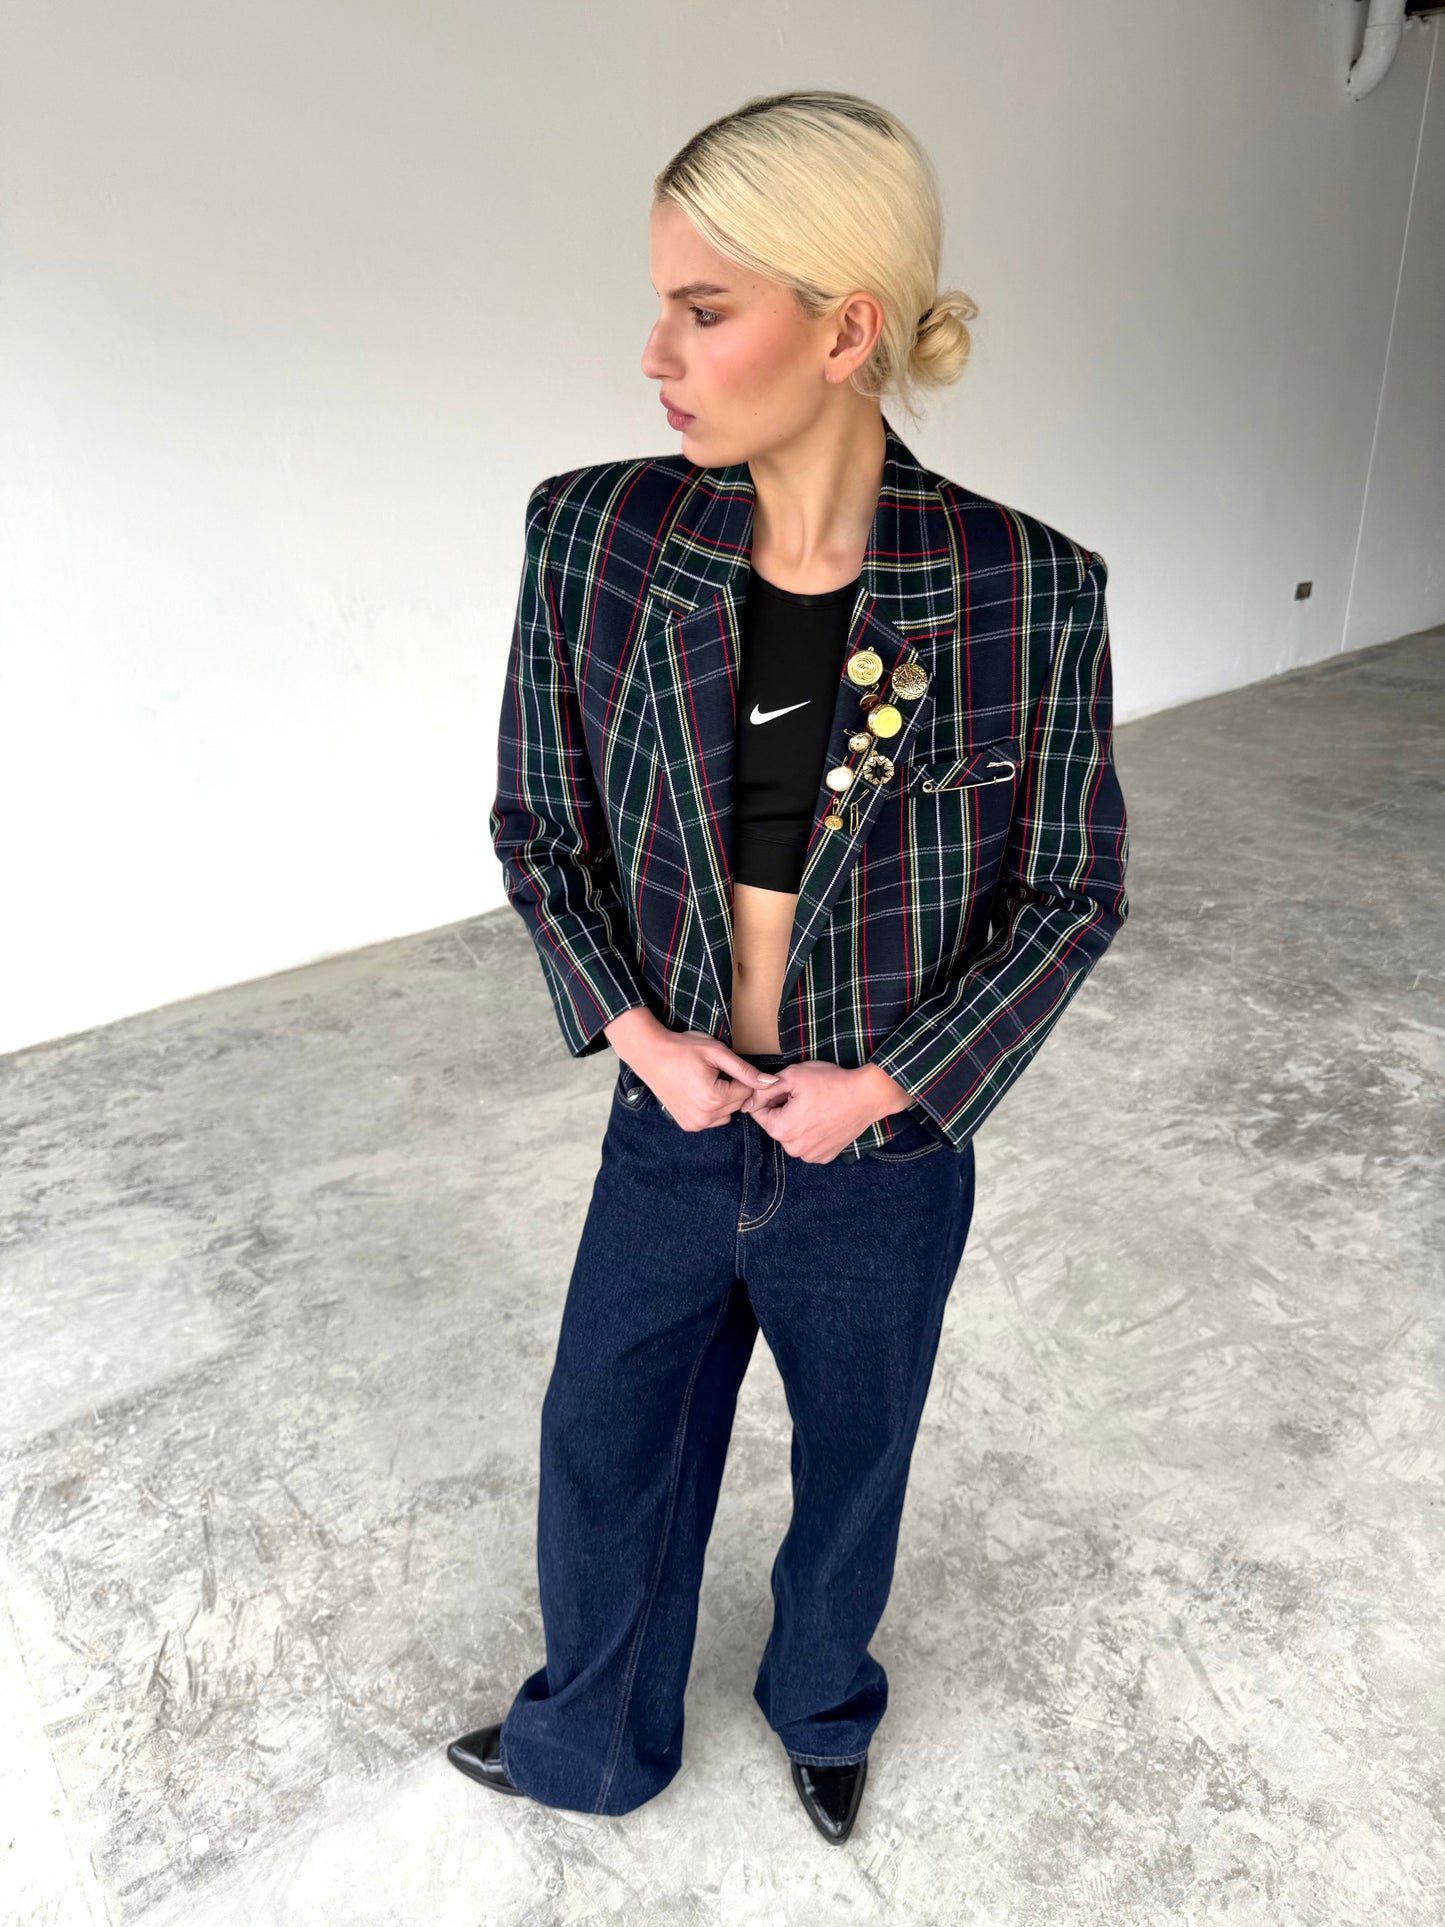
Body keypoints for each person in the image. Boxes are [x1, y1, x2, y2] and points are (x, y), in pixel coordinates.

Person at [447, 88, 1130, 1845]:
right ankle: (588, 1742)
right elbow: (539, 826)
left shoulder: (1026, 592)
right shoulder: (595, 537)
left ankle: (821, 1701)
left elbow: (1068, 888)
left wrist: (888, 1086)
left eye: (703, 309)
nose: (655, 355)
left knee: (855, 1458)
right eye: (661, 306)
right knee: (605, 1445)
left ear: (842, 330)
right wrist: (638, 1037)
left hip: (880, 1156)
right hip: (672, 1123)